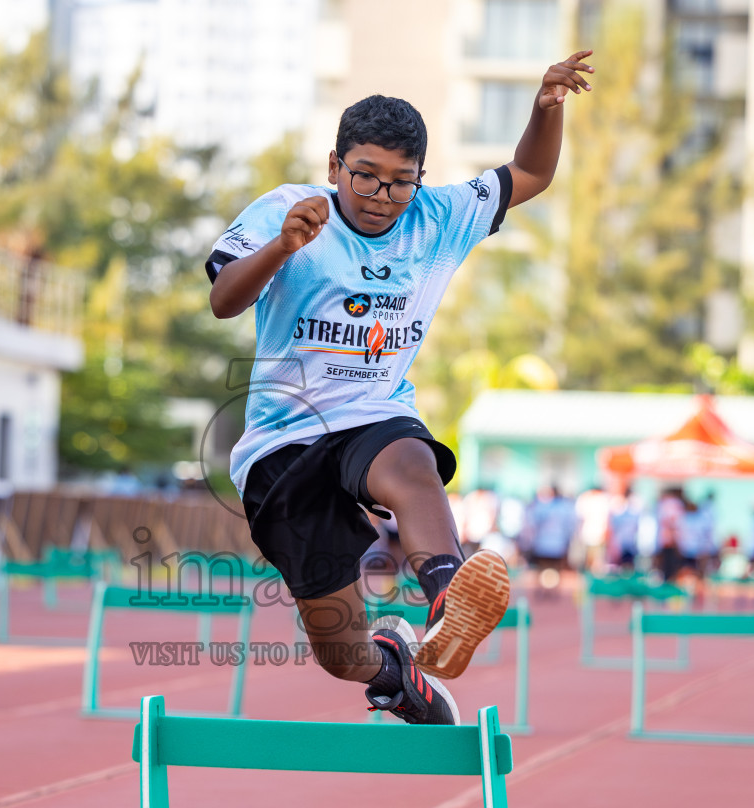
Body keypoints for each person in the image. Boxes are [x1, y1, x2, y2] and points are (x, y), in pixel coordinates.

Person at [204, 56, 595, 726]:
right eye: (366, 177)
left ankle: (448, 599)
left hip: (374, 412)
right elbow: (222, 299)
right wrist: (282, 248)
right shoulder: (287, 209)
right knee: (339, 649)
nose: (382, 196)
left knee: (412, 464)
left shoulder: (439, 216)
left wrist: (546, 107)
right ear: (335, 166)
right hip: (281, 442)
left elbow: (528, 174)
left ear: (420, 178)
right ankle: (395, 670)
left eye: (400, 183)